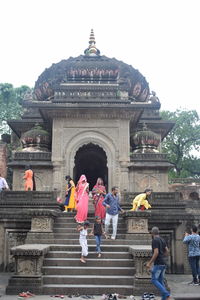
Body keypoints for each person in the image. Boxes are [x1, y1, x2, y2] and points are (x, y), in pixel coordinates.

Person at [146, 226, 171, 300]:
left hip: (158, 264)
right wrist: (162, 256)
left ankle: (167, 295)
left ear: (152, 233)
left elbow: (156, 252)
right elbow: (167, 251)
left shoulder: (155, 240)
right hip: (163, 263)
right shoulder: (162, 239)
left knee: (154, 280)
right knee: (160, 280)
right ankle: (164, 298)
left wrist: (150, 263)